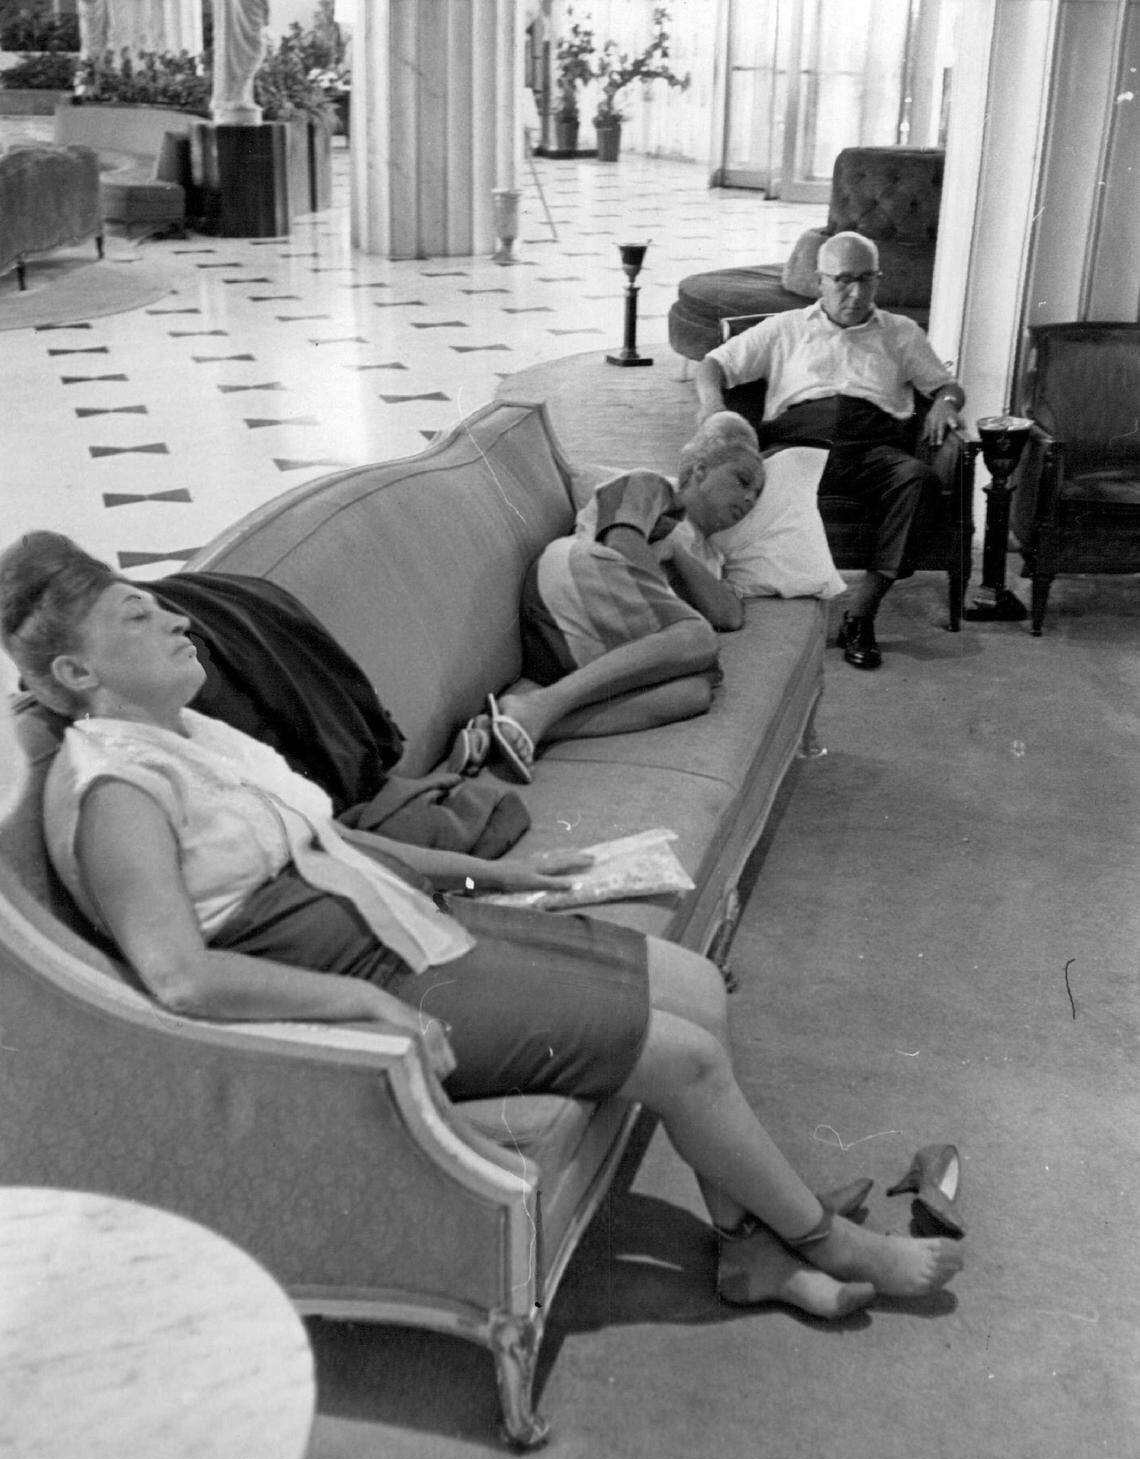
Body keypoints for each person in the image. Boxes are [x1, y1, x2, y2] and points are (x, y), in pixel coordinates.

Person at [0, 530, 963, 1317]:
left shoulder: (190, 732)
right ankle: (819, 1239)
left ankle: (750, 1247)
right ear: (79, 669)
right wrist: (356, 1004)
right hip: (359, 983)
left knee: (698, 988)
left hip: (405, 930)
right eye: (140, 612)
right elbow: (180, 977)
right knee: (683, 1056)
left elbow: (335, 844)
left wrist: (497, 872)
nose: (175, 616)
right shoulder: (114, 786)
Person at [694, 231, 967, 671]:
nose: (855, 293)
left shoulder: (901, 332)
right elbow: (712, 365)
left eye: (866, 279)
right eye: (842, 280)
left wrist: (945, 403)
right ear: (819, 281)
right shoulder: (785, 328)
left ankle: (861, 616)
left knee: (919, 480)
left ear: (878, 280)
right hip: (797, 444)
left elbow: (947, 385)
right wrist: (711, 407)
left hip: (873, 448)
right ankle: (718, 600)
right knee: (730, 491)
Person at [454, 413, 766, 783]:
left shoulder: (711, 558)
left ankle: (513, 725)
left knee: (696, 692)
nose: (749, 497)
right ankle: (535, 708)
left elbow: (730, 615)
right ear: (700, 470)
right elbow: (622, 540)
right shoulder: (653, 488)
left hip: (591, 647)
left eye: (758, 494)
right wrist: (677, 621)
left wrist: (677, 555)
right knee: (698, 639)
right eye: (742, 480)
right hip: (572, 580)